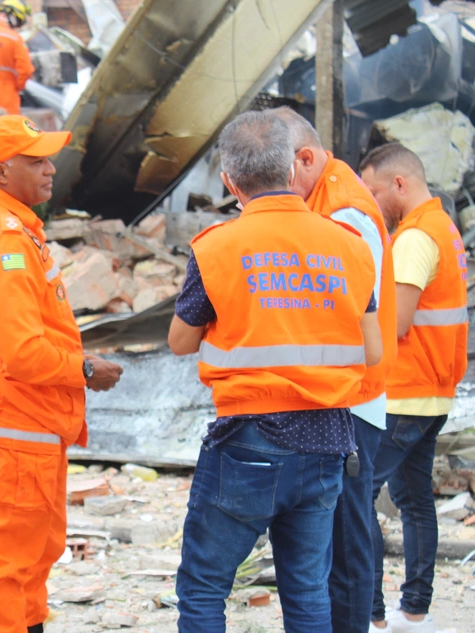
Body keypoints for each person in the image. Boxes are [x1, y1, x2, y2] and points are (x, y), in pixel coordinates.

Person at [168, 111, 382, 633]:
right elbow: (372, 349)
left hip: (248, 438)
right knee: (307, 590)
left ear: (229, 181)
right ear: (292, 168)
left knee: (204, 588)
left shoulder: (218, 246)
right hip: (327, 439)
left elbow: (179, 342)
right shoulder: (348, 245)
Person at [0, 114, 123, 633]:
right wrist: (87, 368)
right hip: (24, 415)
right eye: (37, 161)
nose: (51, 169)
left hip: (33, 418)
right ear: (1, 172)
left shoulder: (9, 227)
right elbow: (24, 353)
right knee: (14, 558)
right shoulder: (5, 241)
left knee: (39, 548)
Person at [271, 107, 398, 633]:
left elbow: (334, 315)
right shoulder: (324, 194)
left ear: (304, 158)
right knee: (331, 540)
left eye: (275, 177)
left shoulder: (343, 213)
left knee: (344, 543)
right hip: (340, 397)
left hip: (348, 400)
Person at [360, 143, 469, 633]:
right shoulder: (444, 227)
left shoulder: (414, 238)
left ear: (398, 184)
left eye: (374, 191)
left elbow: (396, 323)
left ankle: (373, 614)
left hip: (403, 393)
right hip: (433, 391)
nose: (371, 201)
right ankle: (415, 613)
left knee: (359, 498)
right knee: (415, 501)